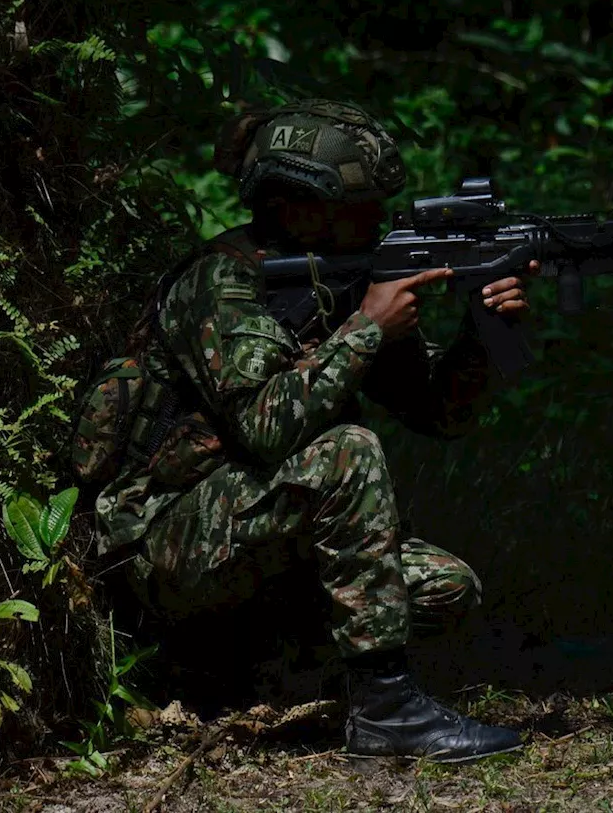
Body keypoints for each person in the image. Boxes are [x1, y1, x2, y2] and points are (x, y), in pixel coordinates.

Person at [93, 99, 536, 762]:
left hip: (260, 532)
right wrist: (367, 329)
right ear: (298, 204)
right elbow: (265, 429)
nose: (378, 220)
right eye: (361, 206)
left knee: (444, 586)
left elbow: (437, 411)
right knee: (346, 453)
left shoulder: (343, 278)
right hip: (164, 542)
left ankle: (267, 680)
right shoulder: (222, 282)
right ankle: (386, 710)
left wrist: (484, 329)